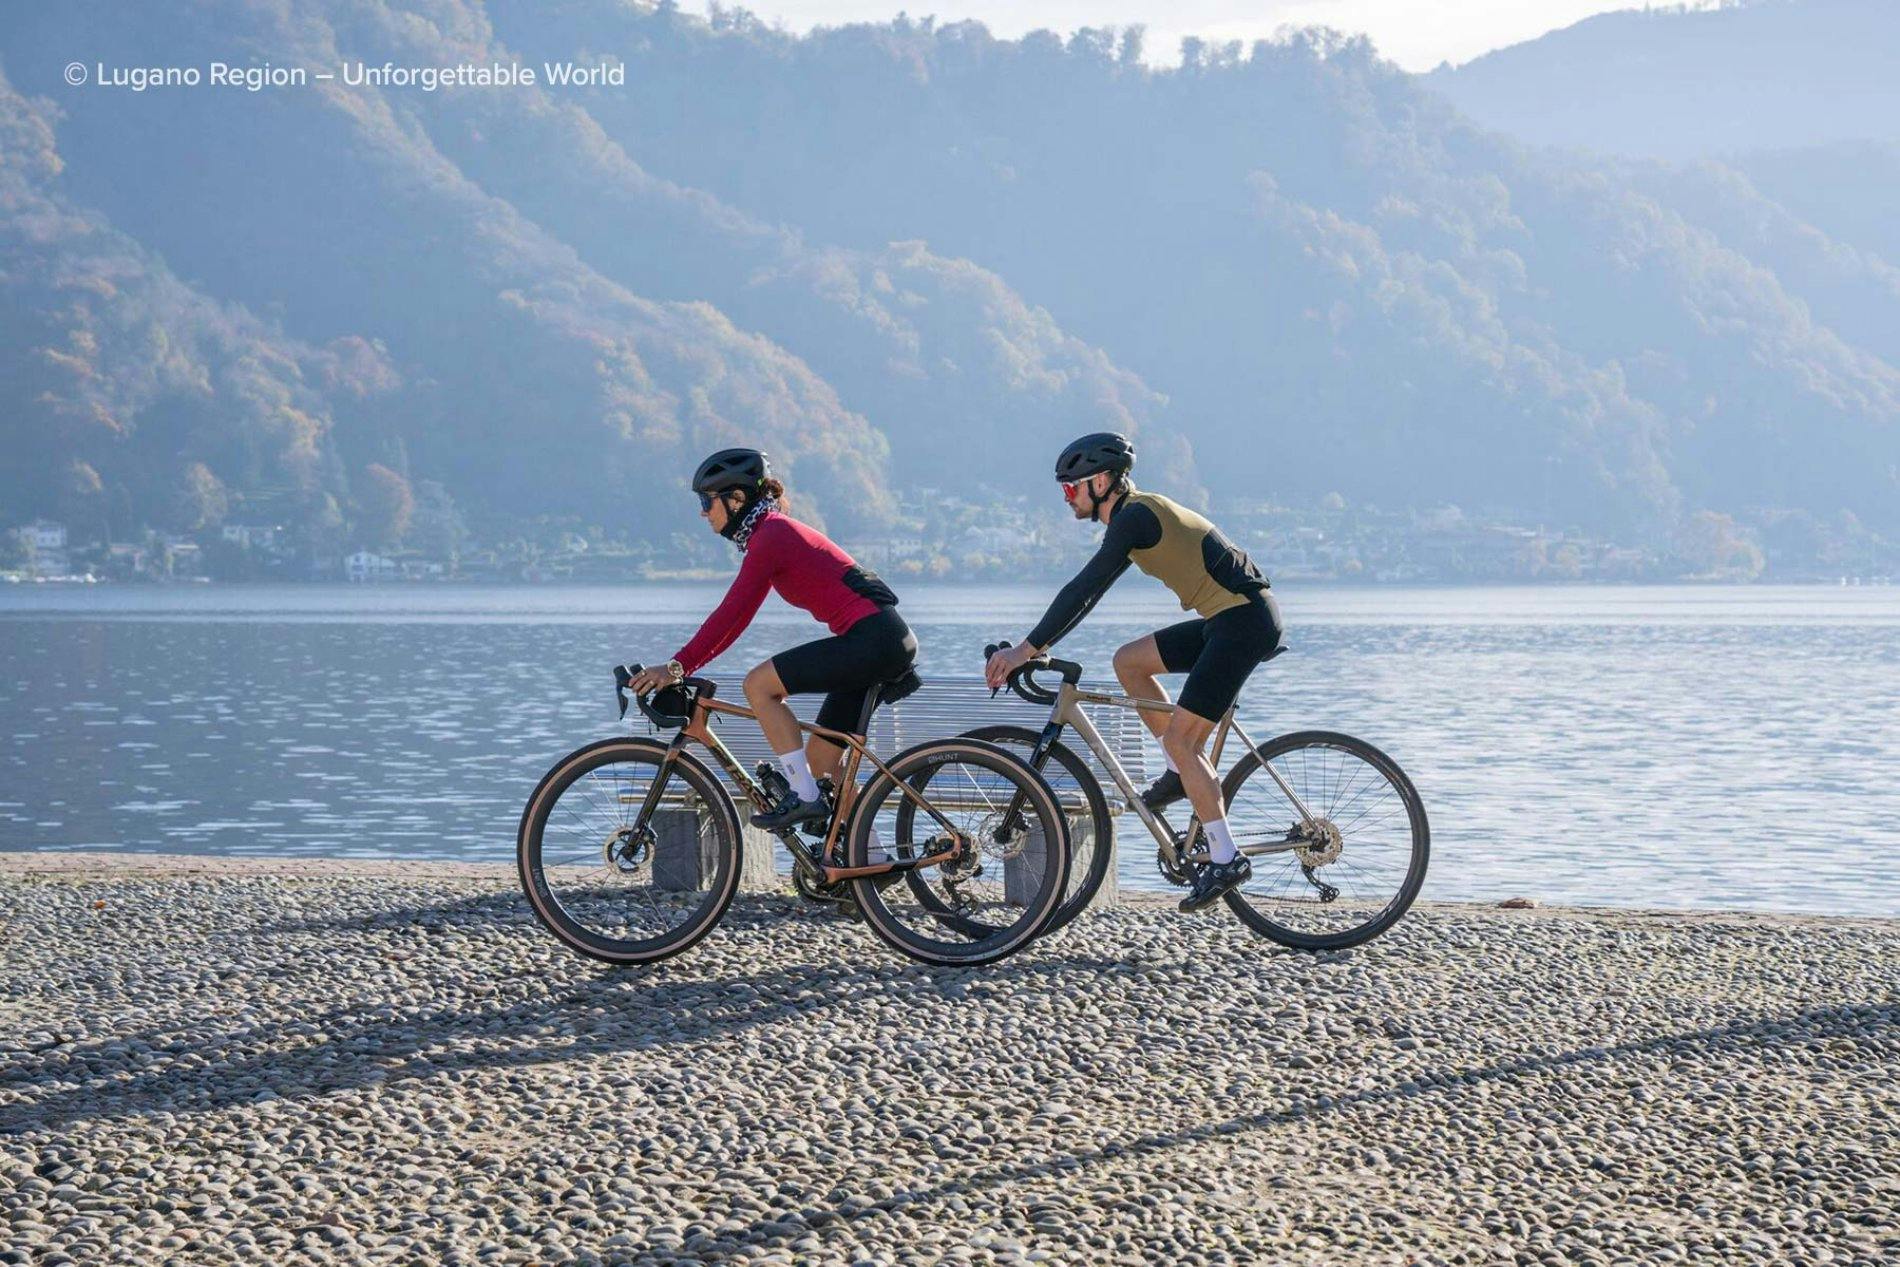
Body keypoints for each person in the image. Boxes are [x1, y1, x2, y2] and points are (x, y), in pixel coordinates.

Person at [985, 432, 1282, 912]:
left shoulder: (1135, 517)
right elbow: (1087, 593)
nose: (1067, 498)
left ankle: (1226, 857)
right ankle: (1176, 771)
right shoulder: (1132, 516)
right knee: (1129, 661)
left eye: (1070, 488)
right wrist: (1036, 645)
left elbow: (1087, 587)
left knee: (1187, 742)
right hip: (1225, 618)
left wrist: (1027, 648)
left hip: (1243, 623)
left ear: (1101, 481)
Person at [628, 448, 917, 831]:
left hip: (874, 640)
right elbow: (736, 621)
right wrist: (683, 665)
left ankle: (806, 800)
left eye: (706, 501)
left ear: (736, 499)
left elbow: (730, 614)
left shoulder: (772, 536)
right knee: (820, 762)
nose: (702, 512)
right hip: (881, 640)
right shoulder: (771, 534)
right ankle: (862, 863)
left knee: (759, 685)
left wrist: (677, 666)